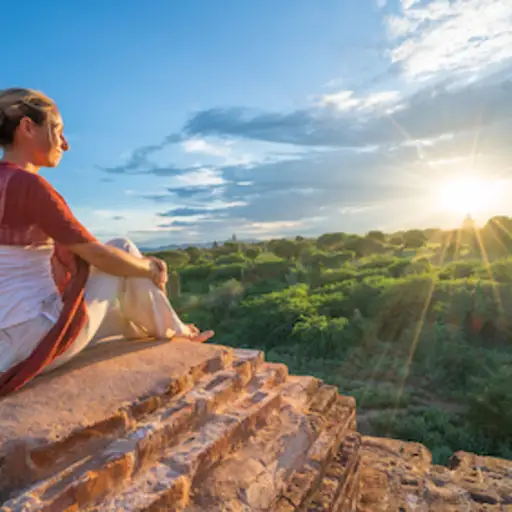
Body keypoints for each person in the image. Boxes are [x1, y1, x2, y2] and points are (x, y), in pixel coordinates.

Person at [0, 88, 214, 395]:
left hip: (5, 351)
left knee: (125, 323)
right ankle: (175, 332)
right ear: (27, 128)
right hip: (32, 342)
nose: (65, 144)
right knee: (123, 248)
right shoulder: (29, 185)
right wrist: (151, 268)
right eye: (57, 130)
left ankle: (168, 331)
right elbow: (99, 255)